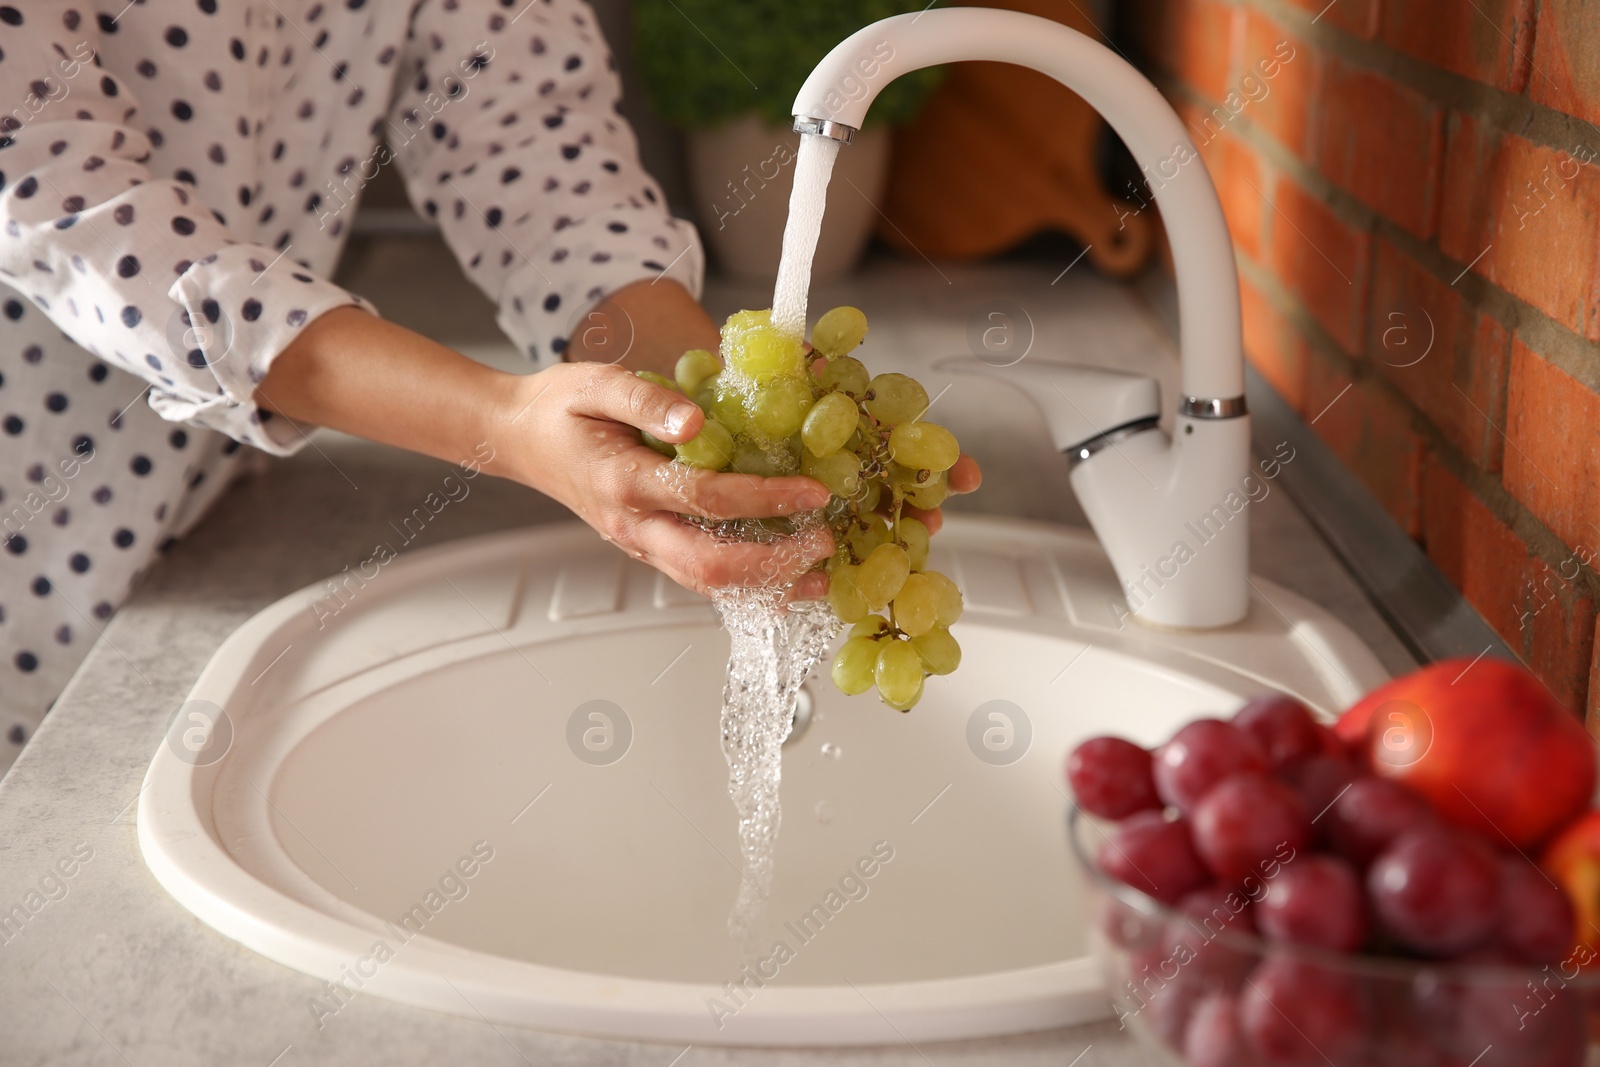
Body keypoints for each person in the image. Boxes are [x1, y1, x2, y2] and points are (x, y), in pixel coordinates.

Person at [0, 0, 978, 770]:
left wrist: (698, 395)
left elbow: (528, 138)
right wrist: (502, 422)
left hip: (204, 501)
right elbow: (63, 197)